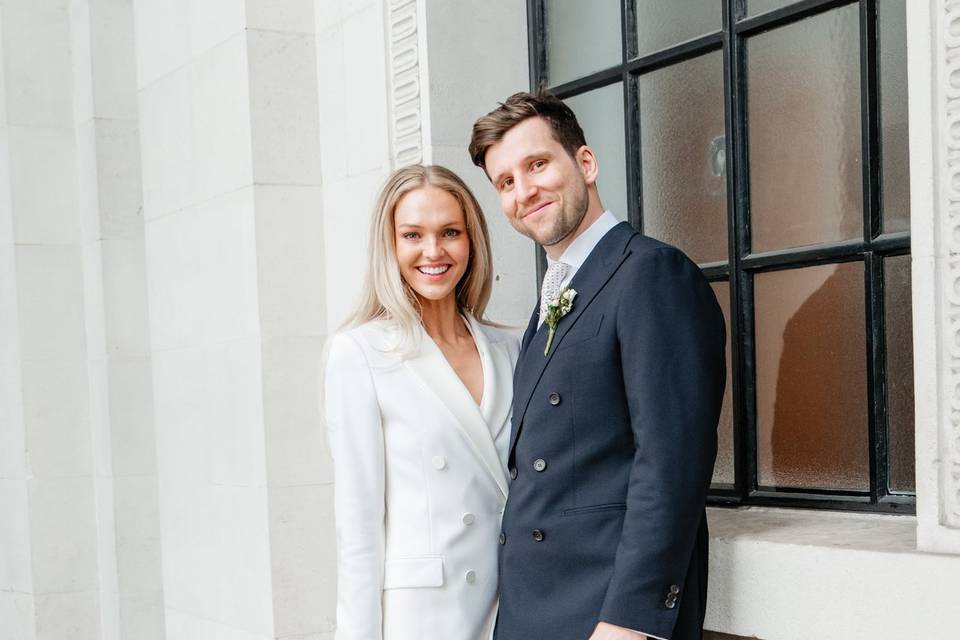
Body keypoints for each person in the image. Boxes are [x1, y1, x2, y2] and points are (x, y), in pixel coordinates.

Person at [468, 92, 726, 640]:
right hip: (534, 610)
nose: (523, 191)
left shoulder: (652, 274)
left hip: (605, 616)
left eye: (537, 164)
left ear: (585, 163)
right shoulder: (554, 295)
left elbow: (671, 464)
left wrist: (629, 621)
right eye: (506, 182)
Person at [324, 164, 519, 640]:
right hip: (425, 617)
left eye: (450, 232)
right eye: (413, 234)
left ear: (472, 241)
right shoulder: (361, 353)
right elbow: (359, 529)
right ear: (390, 245)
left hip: (513, 606)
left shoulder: (510, 349)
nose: (433, 251)